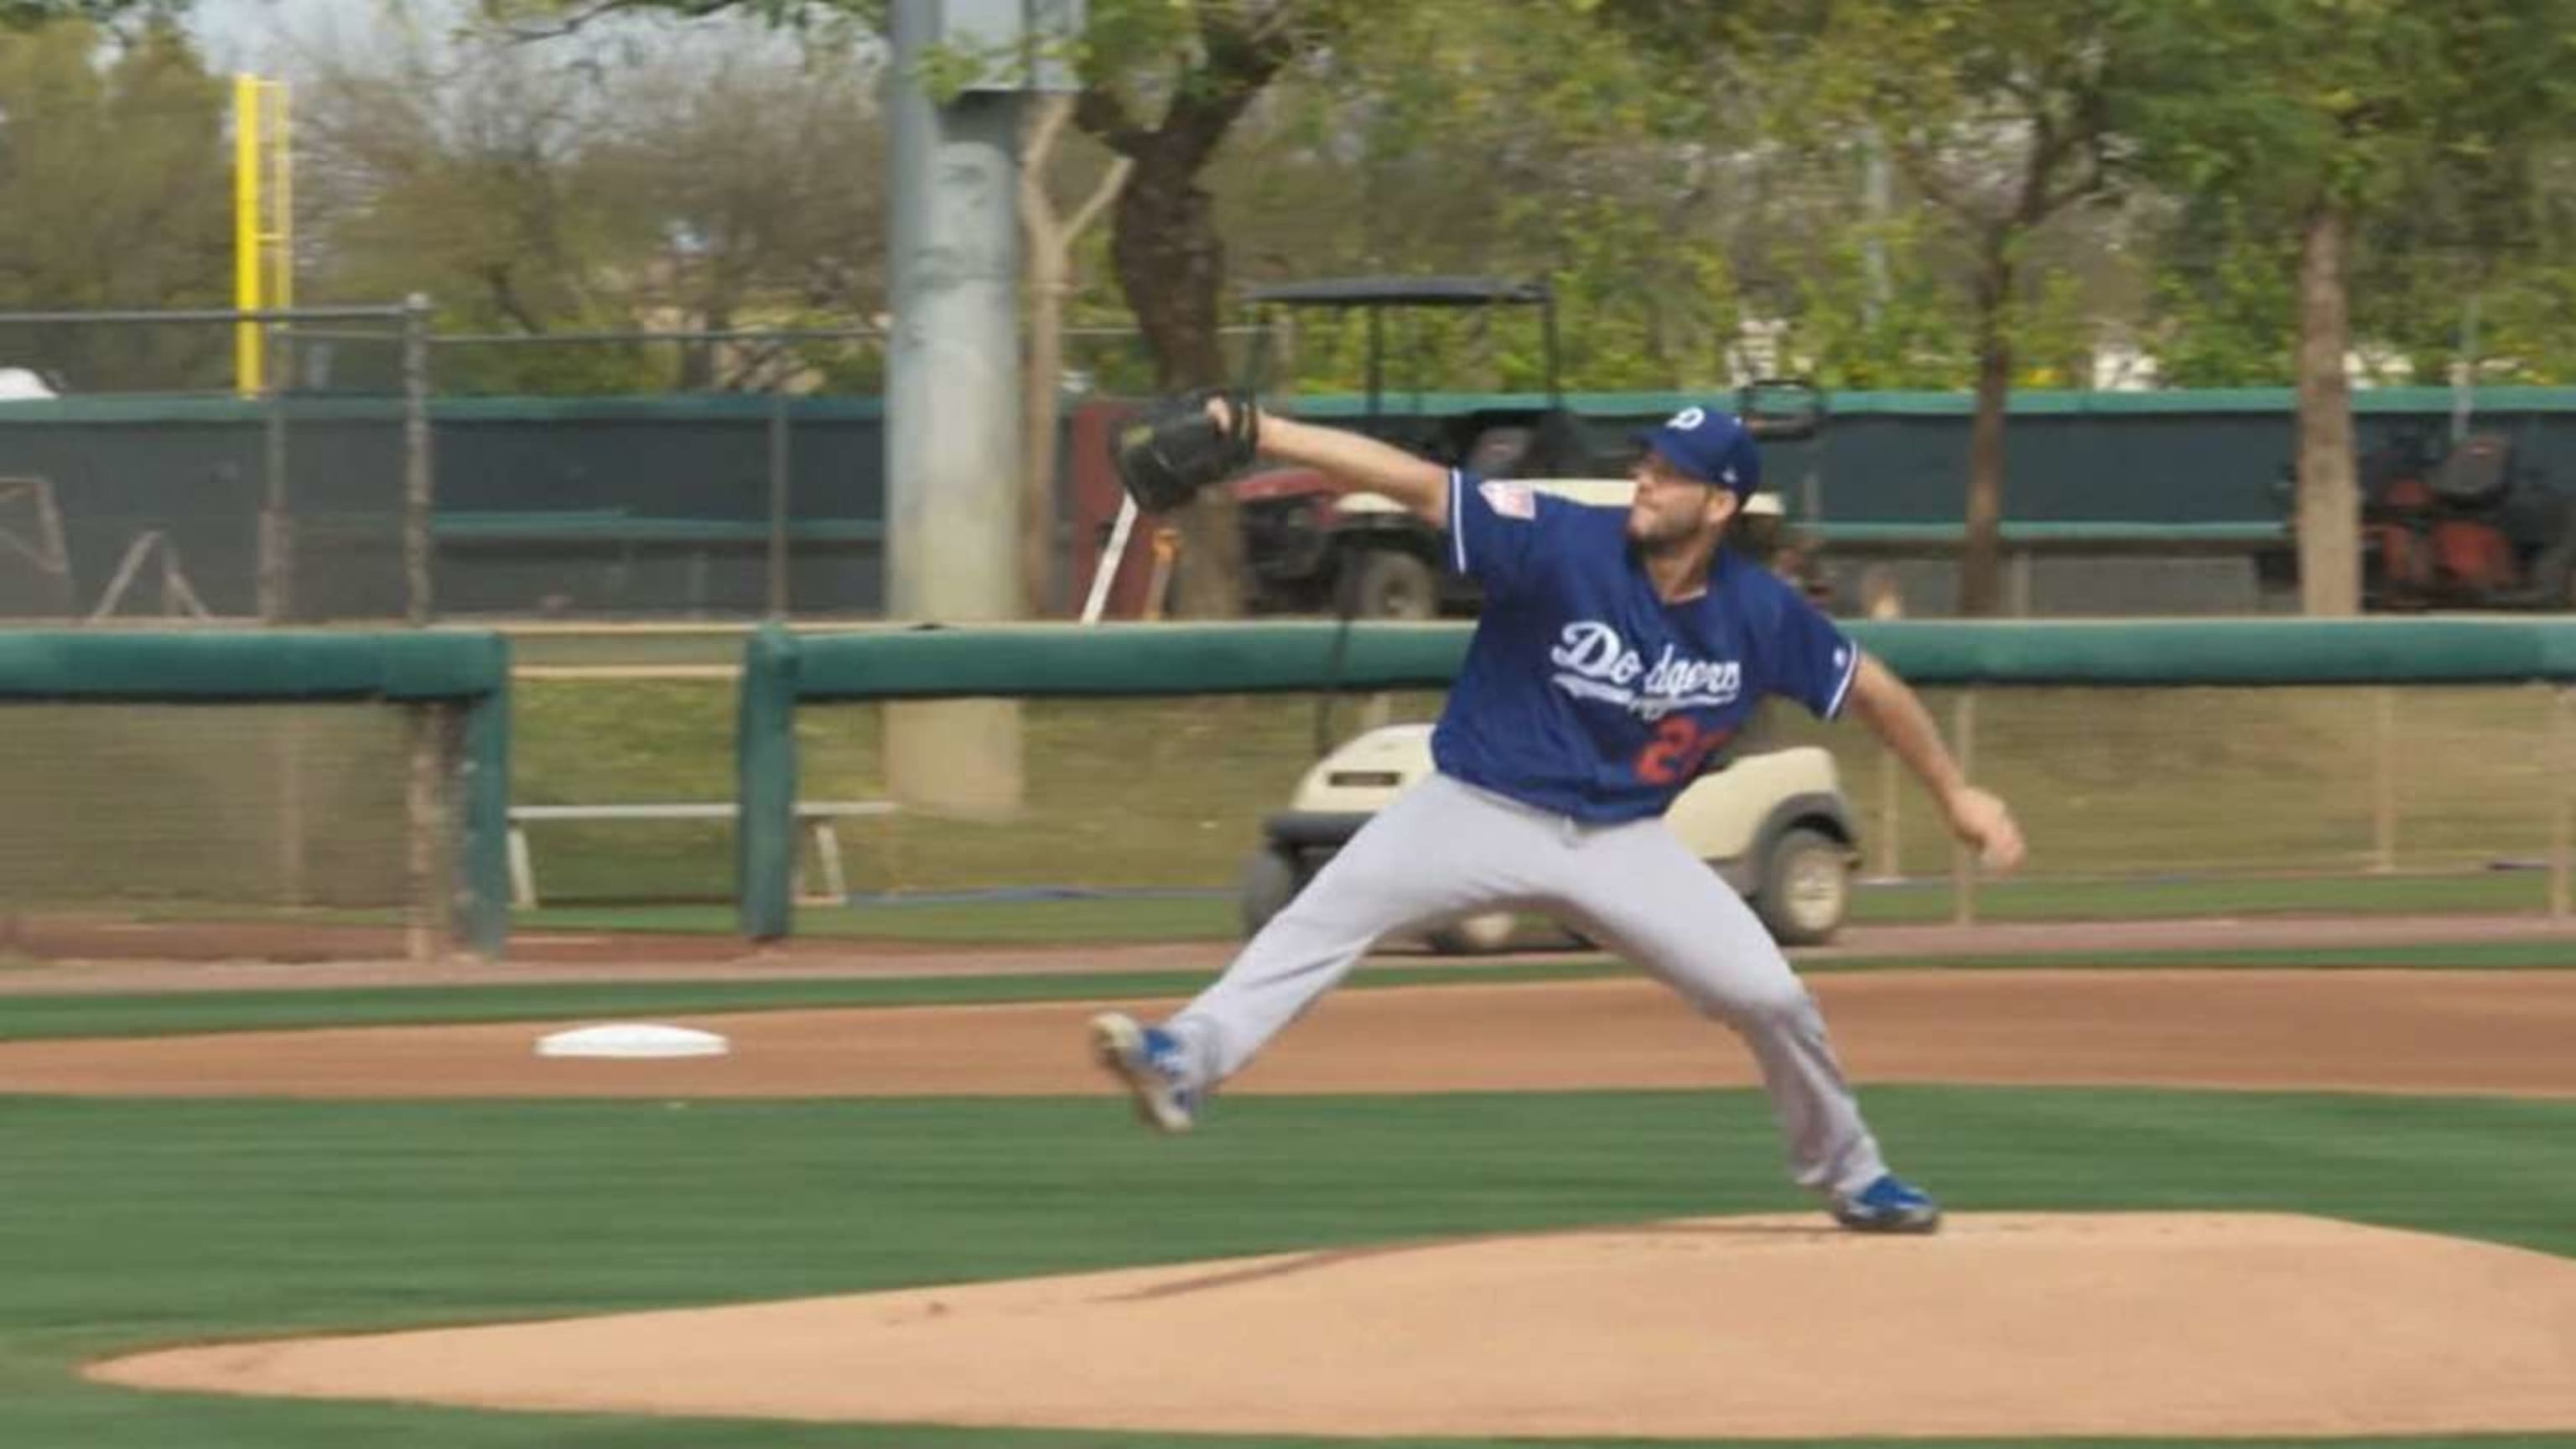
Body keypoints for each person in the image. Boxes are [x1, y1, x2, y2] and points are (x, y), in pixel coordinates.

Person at [1093, 397, 2024, 1233]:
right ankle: (1186, 1061)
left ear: (1719, 506)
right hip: (1478, 806)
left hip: (1621, 842)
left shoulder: (1758, 613)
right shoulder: (1560, 536)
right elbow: (1417, 485)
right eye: (1649, 462)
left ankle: (1854, 1176)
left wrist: (1957, 795)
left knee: (1772, 996)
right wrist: (1259, 432)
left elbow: (1875, 689)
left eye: (1672, 474)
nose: (1646, 479)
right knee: (1324, 914)